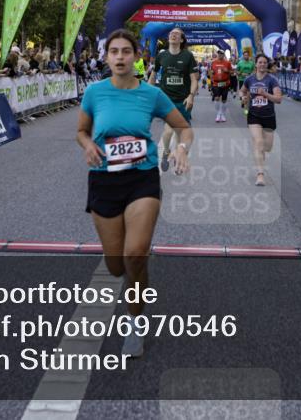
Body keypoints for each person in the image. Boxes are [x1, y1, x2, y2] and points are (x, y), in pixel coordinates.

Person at [77, 29, 192, 358]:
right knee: (116, 266)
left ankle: (134, 323)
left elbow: (184, 127)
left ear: (137, 56)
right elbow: (81, 131)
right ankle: (134, 271)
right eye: (114, 51)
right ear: (107, 56)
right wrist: (87, 146)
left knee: (135, 253)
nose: (120, 57)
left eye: (126, 51)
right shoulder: (95, 93)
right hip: (104, 180)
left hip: (141, 178)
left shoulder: (151, 94)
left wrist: (182, 148)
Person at [149, 28, 198, 172]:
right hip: (166, 99)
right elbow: (153, 75)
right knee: (169, 130)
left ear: (181, 40)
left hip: (183, 100)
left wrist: (191, 96)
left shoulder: (188, 56)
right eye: (171, 33)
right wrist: (148, 93)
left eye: (177, 34)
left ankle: (177, 156)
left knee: (179, 132)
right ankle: (165, 152)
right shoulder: (162, 55)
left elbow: (194, 79)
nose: (173, 34)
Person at [240, 54, 283, 187]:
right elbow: (242, 91)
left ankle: (260, 158)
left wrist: (265, 94)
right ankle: (260, 174)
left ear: (267, 65)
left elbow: (278, 99)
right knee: (258, 142)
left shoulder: (272, 80)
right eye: (260, 62)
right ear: (256, 64)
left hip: (269, 116)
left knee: (267, 147)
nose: (262, 65)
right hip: (254, 115)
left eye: (265, 63)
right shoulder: (249, 79)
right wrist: (243, 98)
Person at [210, 50, 234, 123]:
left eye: (221, 54)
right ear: (217, 54)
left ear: (223, 55)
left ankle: (222, 114)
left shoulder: (227, 63)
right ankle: (218, 113)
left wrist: (227, 71)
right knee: (216, 98)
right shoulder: (213, 62)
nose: (220, 55)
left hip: (225, 83)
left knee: (224, 100)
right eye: (219, 54)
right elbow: (210, 71)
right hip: (216, 83)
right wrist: (211, 75)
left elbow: (232, 72)